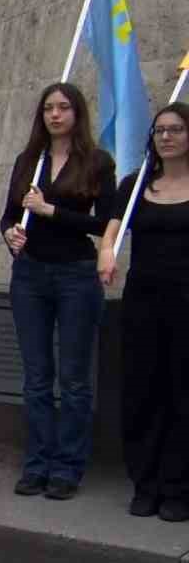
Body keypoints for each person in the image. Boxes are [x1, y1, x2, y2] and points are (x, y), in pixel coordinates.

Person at [0, 82, 115, 501]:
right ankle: (38, 463)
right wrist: (11, 233)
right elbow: (9, 216)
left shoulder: (97, 163)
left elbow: (106, 226)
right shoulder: (29, 161)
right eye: (48, 107)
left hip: (76, 274)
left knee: (73, 378)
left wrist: (52, 211)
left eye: (64, 107)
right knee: (36, 376)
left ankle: (68, 466)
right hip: (30, 274)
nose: (55, 114)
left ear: (77, 114)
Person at [99, 103, 189, 522]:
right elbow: (112, 230)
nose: (166, 137)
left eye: (175, 130)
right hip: (143, 301)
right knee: (142, 391)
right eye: (159, 131)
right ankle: (145, 482)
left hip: (186, 302)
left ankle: (178, 486)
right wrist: (106, 254)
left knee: (182, 394)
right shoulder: (136, 185)